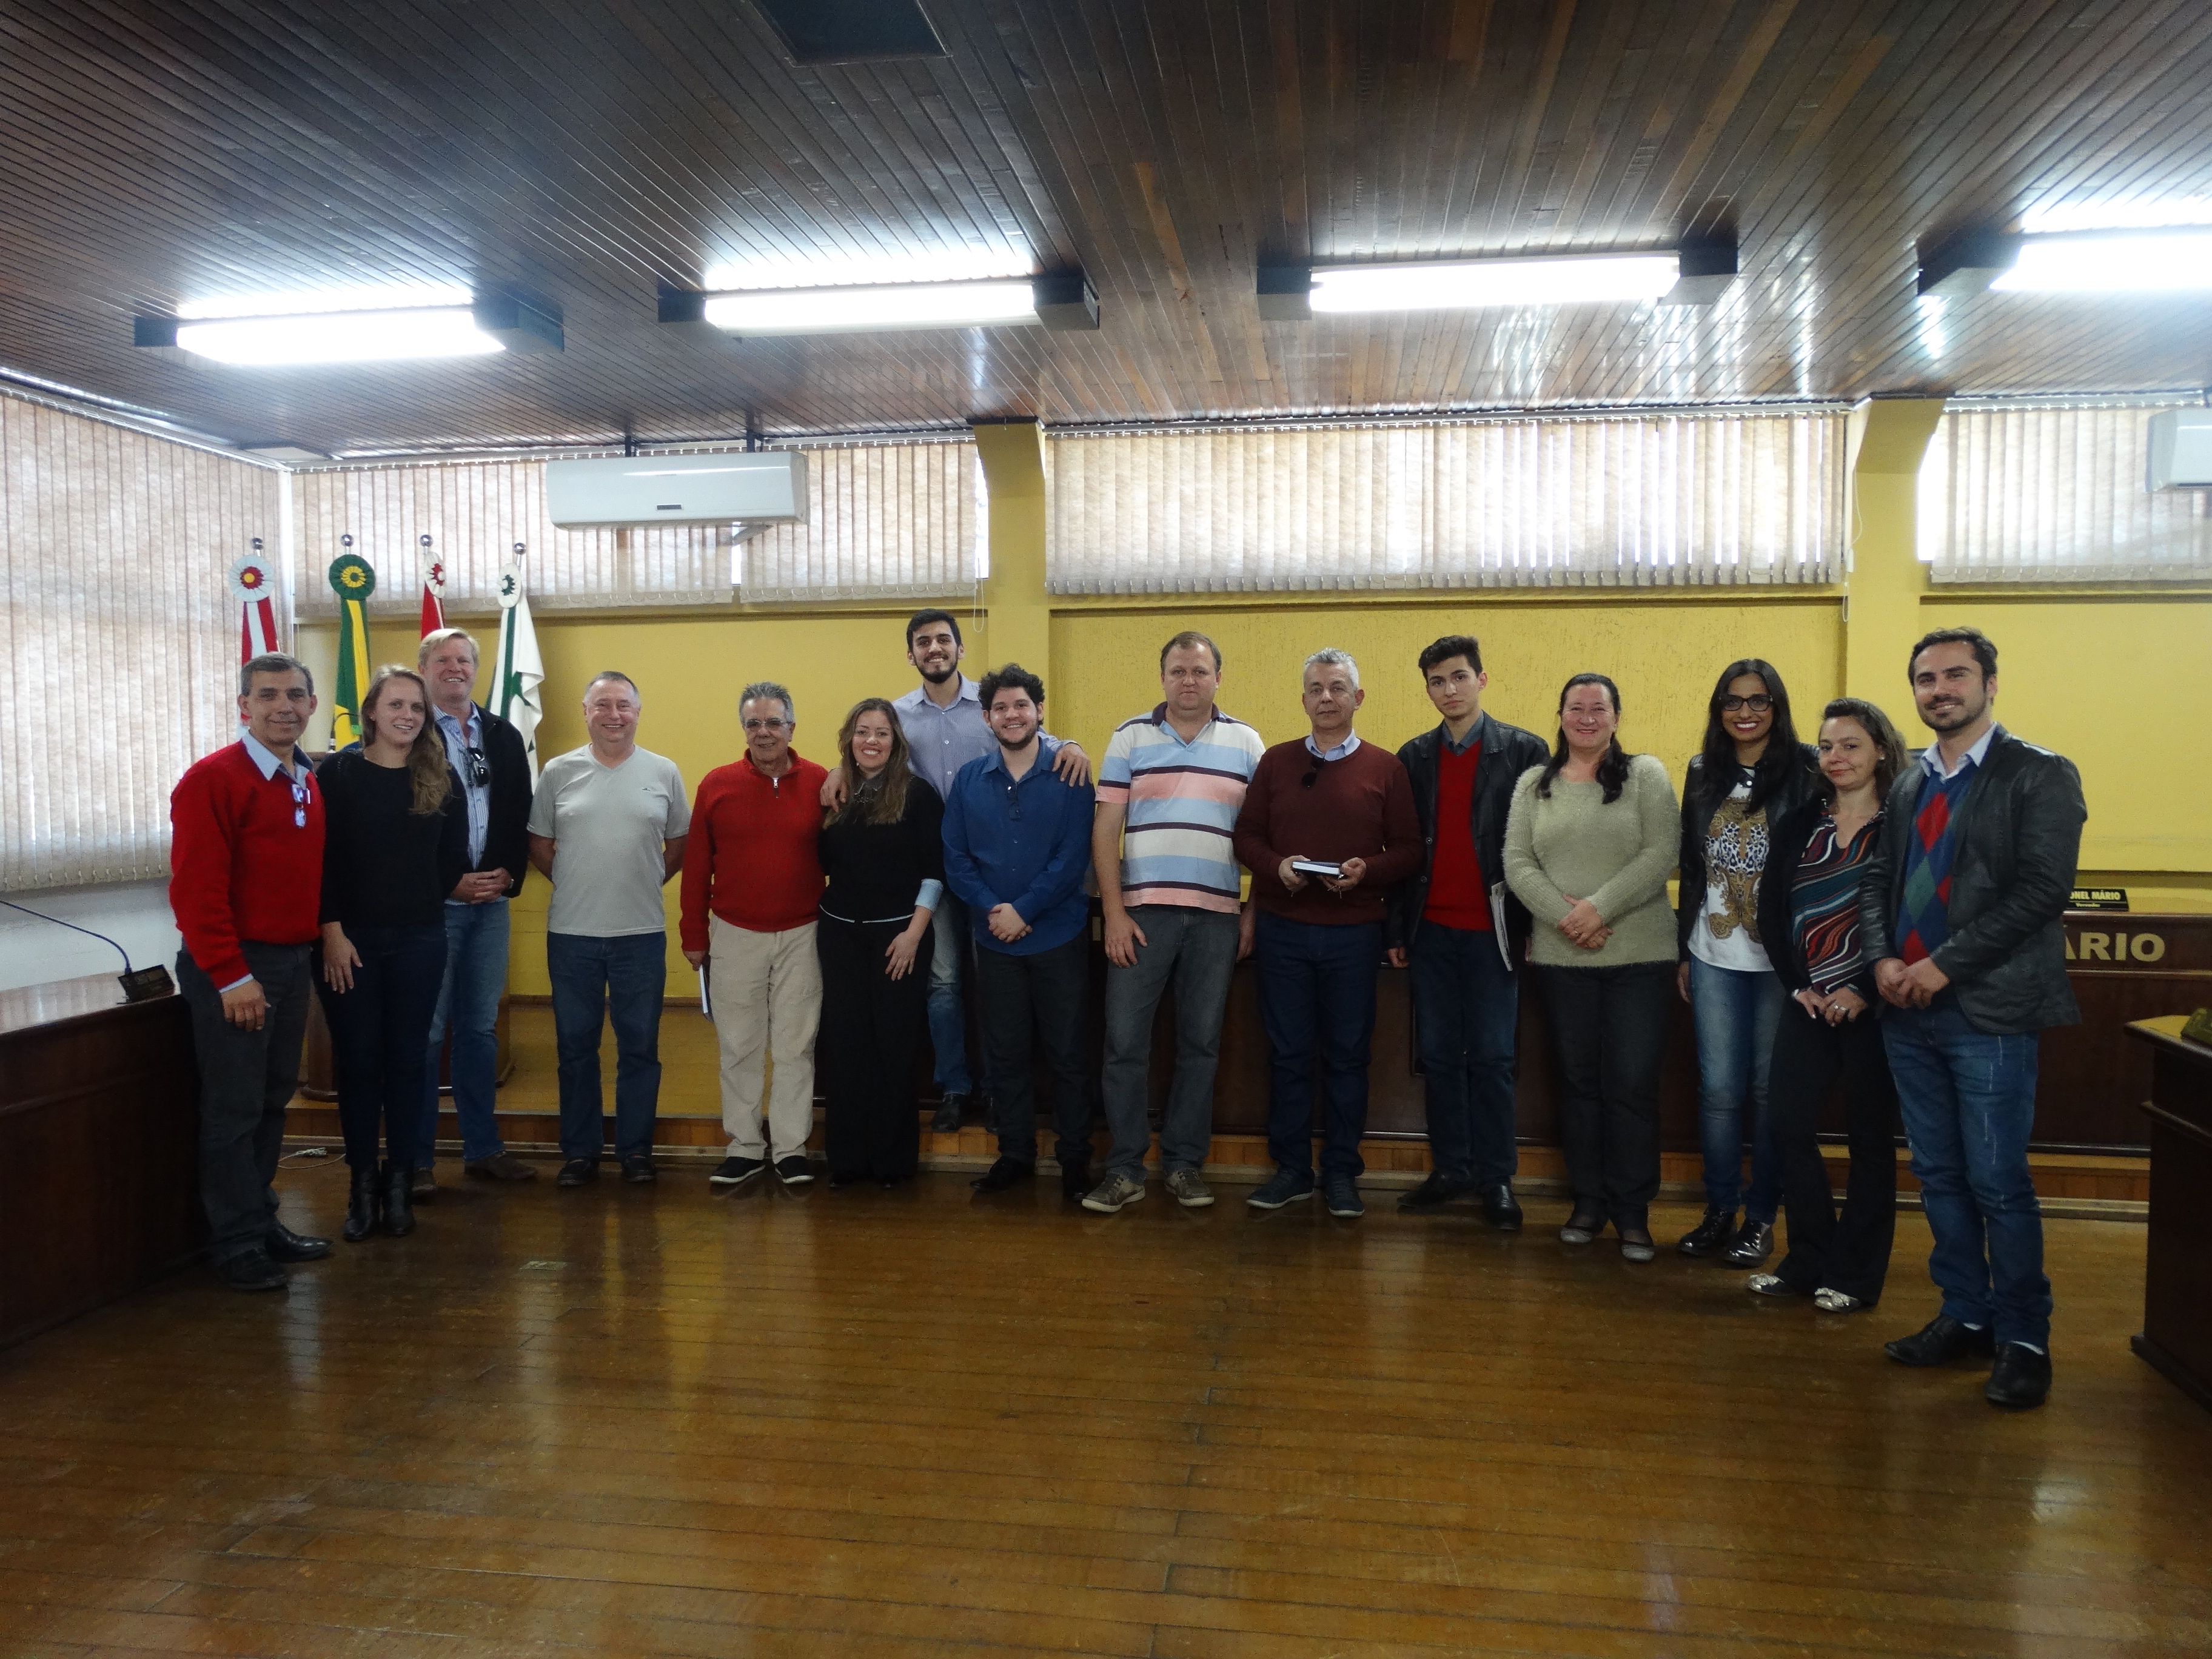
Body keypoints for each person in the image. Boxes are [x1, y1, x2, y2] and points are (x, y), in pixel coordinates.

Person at [1860, 628, 2085, 1410]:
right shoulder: (1909, 783)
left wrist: (1941, 966)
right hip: (1906, 1014)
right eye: (1926, 678)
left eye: (1956, 675)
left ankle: (2025, 1338)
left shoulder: (2039, 775)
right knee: (1941, 1177)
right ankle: (1965, 1314)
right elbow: (1880, 879)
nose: (1940, 689)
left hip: (1986, 1014)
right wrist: (1885, 960)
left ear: (1991, 683)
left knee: (1997, 1182)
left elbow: (2041, 892)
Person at [865, 609, 1090, 1134]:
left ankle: (998, 1093)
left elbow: (1034, 734)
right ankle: (956, 1086)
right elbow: (869, 753)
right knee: (944, 984)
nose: (934, 648)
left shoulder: (990, 705)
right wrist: (836, 769)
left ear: (960, 649)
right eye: (924, 642)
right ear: (911, 654)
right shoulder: (898, 715)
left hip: (992, 870)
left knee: (996, 988)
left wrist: (1072, 743)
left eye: (944, 639)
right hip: (934, 868)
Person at [1231, 649, 1421, 1221]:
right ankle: (1291, 1170)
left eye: (1338, 688)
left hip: (1354, 935)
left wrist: (1369, 870)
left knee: (1346, 1058)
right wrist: (1276, 867)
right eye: (1316, 689)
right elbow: (1246, 837)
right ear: (1304, 699)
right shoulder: (1276, 763)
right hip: (1284, 931)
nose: (1327, 698)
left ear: (1358, 698)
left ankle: (1341, 1173)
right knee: (1288, 1057)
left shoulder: (1387, 769)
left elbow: (1411, 851)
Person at [1081, 631, 1265, 1215]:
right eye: (1179, 671)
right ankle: (1125, 1169)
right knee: (1125, 1046)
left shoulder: (1246, 742)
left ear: (1218, 678)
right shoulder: (1130, 736)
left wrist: (1250, 911)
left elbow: (1263, 838)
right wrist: (1113, 911)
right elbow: (1105, 829)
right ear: (1163, 677)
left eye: (1200, 671)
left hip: (1216, 918)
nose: (1190, 681)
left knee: (1200, 1045)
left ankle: (1185, 1165)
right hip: (1140, 918)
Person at [169, 653, 332, 1291]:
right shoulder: (213, 779)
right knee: (233, 1109)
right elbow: (196, 893)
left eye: (295, 695)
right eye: (267, 696)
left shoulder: (304, 775)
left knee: (270, 1102)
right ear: (244, 706)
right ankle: (235, 1243)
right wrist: (233, 976)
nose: (283, 706)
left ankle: (260, 1219)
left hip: (291, 960)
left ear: (313, 706)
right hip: (236, 967)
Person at [1503, 673, 1679, 1262]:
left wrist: (1597, 910)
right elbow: (1518, 861)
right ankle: (1588, 1201)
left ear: (1615, 717)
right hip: (1562, 959)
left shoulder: (1645, 776)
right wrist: (1566, 919)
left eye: (1597, 708)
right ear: (1560, 715)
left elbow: (1662, 853)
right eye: (1575, 707)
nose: (1586, 717)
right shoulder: (1535, 783)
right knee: (1578, 1085)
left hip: (1641, 957)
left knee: (1630, 1086)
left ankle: (1632, 1211)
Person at [1747, 698, 1910, 1313]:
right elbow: (1771, 910)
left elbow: (1909, 916)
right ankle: (1807, 1258)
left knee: (1870, 1140)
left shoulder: (1901, 824)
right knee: (1786, 1123)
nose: (1836, 757)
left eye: (1850, 745)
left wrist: (1863, 989)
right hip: (1809, 1001)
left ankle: (1855, 1275)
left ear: (1881, 752)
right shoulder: (1801, 822)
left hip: (1877, 1005)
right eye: (1826, 746)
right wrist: (1800, 985)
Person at [1386, 634, 1550, 1229]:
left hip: (1496, 934)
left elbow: (1538, 846)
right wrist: (1397, 928)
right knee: (1438, 1056)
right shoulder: (1414, 756)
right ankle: (1451, 1168)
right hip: (1430, 931)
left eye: (1459, 677)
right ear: (1428, 689)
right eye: (1437, 681)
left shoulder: (1525, 751)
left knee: (1493, 1057)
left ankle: (1496, 1177)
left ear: (1482, 679)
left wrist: (1535, 925)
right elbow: (1403, 850)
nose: (1448, 690)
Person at [1673, 660, 1822, 1267]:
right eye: (1733, 702)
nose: (1745, 712)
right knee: (1718, 1091)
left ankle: (1760, 1219)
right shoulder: (1703, 770)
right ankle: (1719, 1210)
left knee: (1766, 1091)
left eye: (1758, 701)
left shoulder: (1809, 768)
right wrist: (1685, 947)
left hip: (1778, 960)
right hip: (1713, 954)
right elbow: (1691, 860)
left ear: (1776, 707)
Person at [314, 665, 469, 1242]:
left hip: (420, 940)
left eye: (417, 708)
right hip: (346, 943)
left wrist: (419, 898)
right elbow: (321, 860)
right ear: (372, 712)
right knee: (358, 1064)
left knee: (409, 1063)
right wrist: (331, 930)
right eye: (396, 705)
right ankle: (362, 1186)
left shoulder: (439, 777)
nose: (408, 715)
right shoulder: (337, 774)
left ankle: (400, 1184)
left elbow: (452, 859)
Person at [527, 671, 690, 1188]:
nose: (614, 715)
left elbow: (679, 844)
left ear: (639, 712)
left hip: (640, 934)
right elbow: (541, 845)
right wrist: (577, 879)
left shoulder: (663, 772)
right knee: (575, 1047)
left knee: (639, 1045)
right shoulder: (558, 771)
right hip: (572, 933)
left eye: (624, 705)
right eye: (603, 705)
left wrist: (641, 879)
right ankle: (580, 1152)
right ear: (585, 711)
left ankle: (636, 1150)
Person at [940, 663, 1098, 1198]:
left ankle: (1075, 1159)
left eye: (1022, 705)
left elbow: (1073, 856)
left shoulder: (1071, 774)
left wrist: (1024, 911)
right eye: (1001, 708)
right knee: (1004, 1053)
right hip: (994, 939)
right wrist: (993, 910)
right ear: (987, 718)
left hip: (1059, 936)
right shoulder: (968, 780)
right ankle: (1015, 1154)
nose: (1012, 715)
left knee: (1069, 1053)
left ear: (1039, 712)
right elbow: (955, 859)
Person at [681, 682, 828, 1190]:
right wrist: (693, 934)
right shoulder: (716, 785)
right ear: (744, 729)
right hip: (734, 934)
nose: (763, 733)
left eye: (773, 723)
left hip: (803, 933)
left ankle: (789, 1149)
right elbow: (697, 867)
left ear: (792, 727)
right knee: (739, 1045)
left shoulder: (822, 783)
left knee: (795, 1046)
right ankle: (744, 1146)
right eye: (753, 724)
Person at [410, 626, 536, 1194]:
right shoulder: (409, 736)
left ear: (476, 669)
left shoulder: (504, 735)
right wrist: (448, 882)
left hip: (490, 907)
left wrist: (508, 873)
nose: (455, 668)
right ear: (425, 668)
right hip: (433, 907)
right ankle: (416, 1161)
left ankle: (483, 1148)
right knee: (428, 1034)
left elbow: (518, 812)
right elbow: (406, 829)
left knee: (480, 1032)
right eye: (443, 660)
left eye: (464, 659)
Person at [815, 698, 943, 1188]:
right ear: (850, 738)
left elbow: (935, 872)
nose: (872, 741)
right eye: (863, 731)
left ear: (896, 741)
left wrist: (914, 935)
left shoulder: (919, 794)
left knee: (894, 1047)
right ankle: (847, 1161)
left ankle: (892, 1162)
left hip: (899, 937)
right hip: (840, 933)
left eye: (883, 733)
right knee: (846, 1047)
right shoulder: (835, 794)